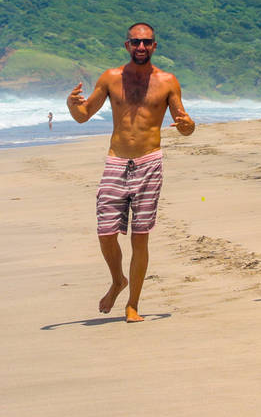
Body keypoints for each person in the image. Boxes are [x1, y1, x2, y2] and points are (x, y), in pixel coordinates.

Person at [67, 22, 195, 322]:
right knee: (106, 233)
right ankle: (117, 280)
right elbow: (83, 117)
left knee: (140, 237)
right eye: (135, 42)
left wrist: (188, 127)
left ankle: (133, 304)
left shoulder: (167, 81)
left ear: (154, 46)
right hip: (116, 162)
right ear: (127, 45)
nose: (141, 47)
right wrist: (71, 105)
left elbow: (184, 123)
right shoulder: (111, 78)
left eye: (146, 42)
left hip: (149, 162)